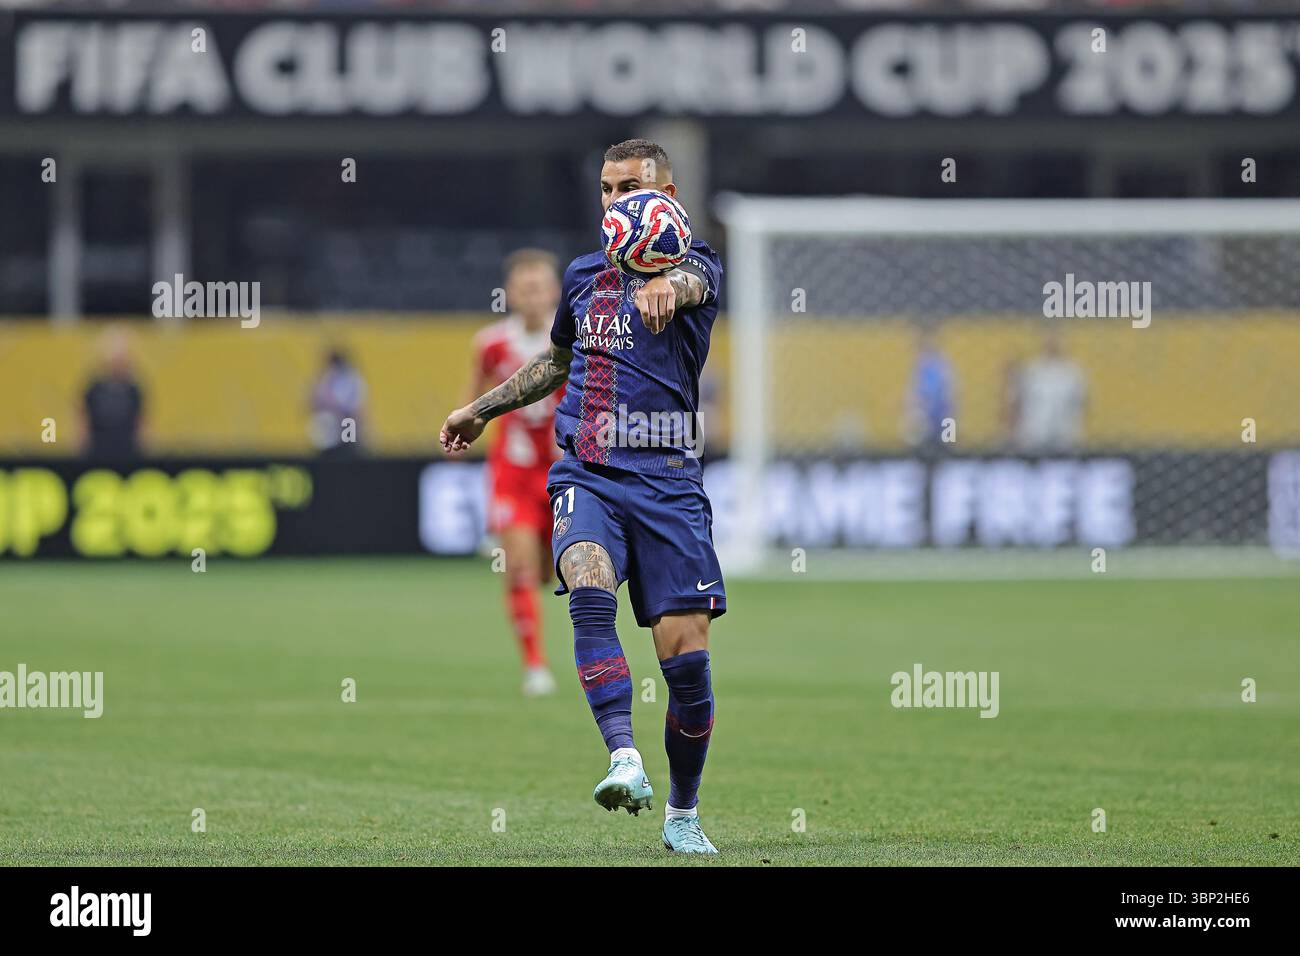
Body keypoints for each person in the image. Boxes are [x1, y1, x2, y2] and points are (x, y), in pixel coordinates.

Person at [440, 139, 725, 854]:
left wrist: (671, 283)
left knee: (686, 667)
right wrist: (483, 409)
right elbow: (558, 361)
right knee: (587, 581)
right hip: (587, 472)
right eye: (605, 188)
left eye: (630, 187)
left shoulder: (698, 266)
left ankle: (683, 812)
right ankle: (622, 756)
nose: (614, 202)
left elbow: (688, 281)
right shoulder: (583, 277)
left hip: (669, 485)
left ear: (666, 194)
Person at [469, 249, 565, 698]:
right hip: (513, 472)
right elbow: (477, 399)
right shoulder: (490, 344)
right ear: (510, 293)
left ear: (555, 293)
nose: (532, 295)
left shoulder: (573, 340)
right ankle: (535, 665)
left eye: (540, 287)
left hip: (562, 472)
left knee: (550, 573)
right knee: (519, 567)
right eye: (525, 287)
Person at [1012, 326, 1088, 452]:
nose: (1051, 342)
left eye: (1054, 338)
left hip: (1065, 437)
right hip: (1035, 435)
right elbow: (1018, 403)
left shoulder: (1072, 372)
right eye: (1047, 338)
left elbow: (1082, 403)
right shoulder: (1031, 370)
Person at [82, 325, 145, 461]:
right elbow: (82, 425)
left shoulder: (134, 391)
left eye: (122, 358)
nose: (118, 363)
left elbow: (142, 426)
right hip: (97, 456)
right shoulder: (93, 390)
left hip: (128, 456)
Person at [309, 349, 367, 458]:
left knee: (347, 454)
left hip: (346, 424)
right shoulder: (325, 380)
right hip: (329, 429)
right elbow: (313, 401)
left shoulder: (352, 379)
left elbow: (354, 407)